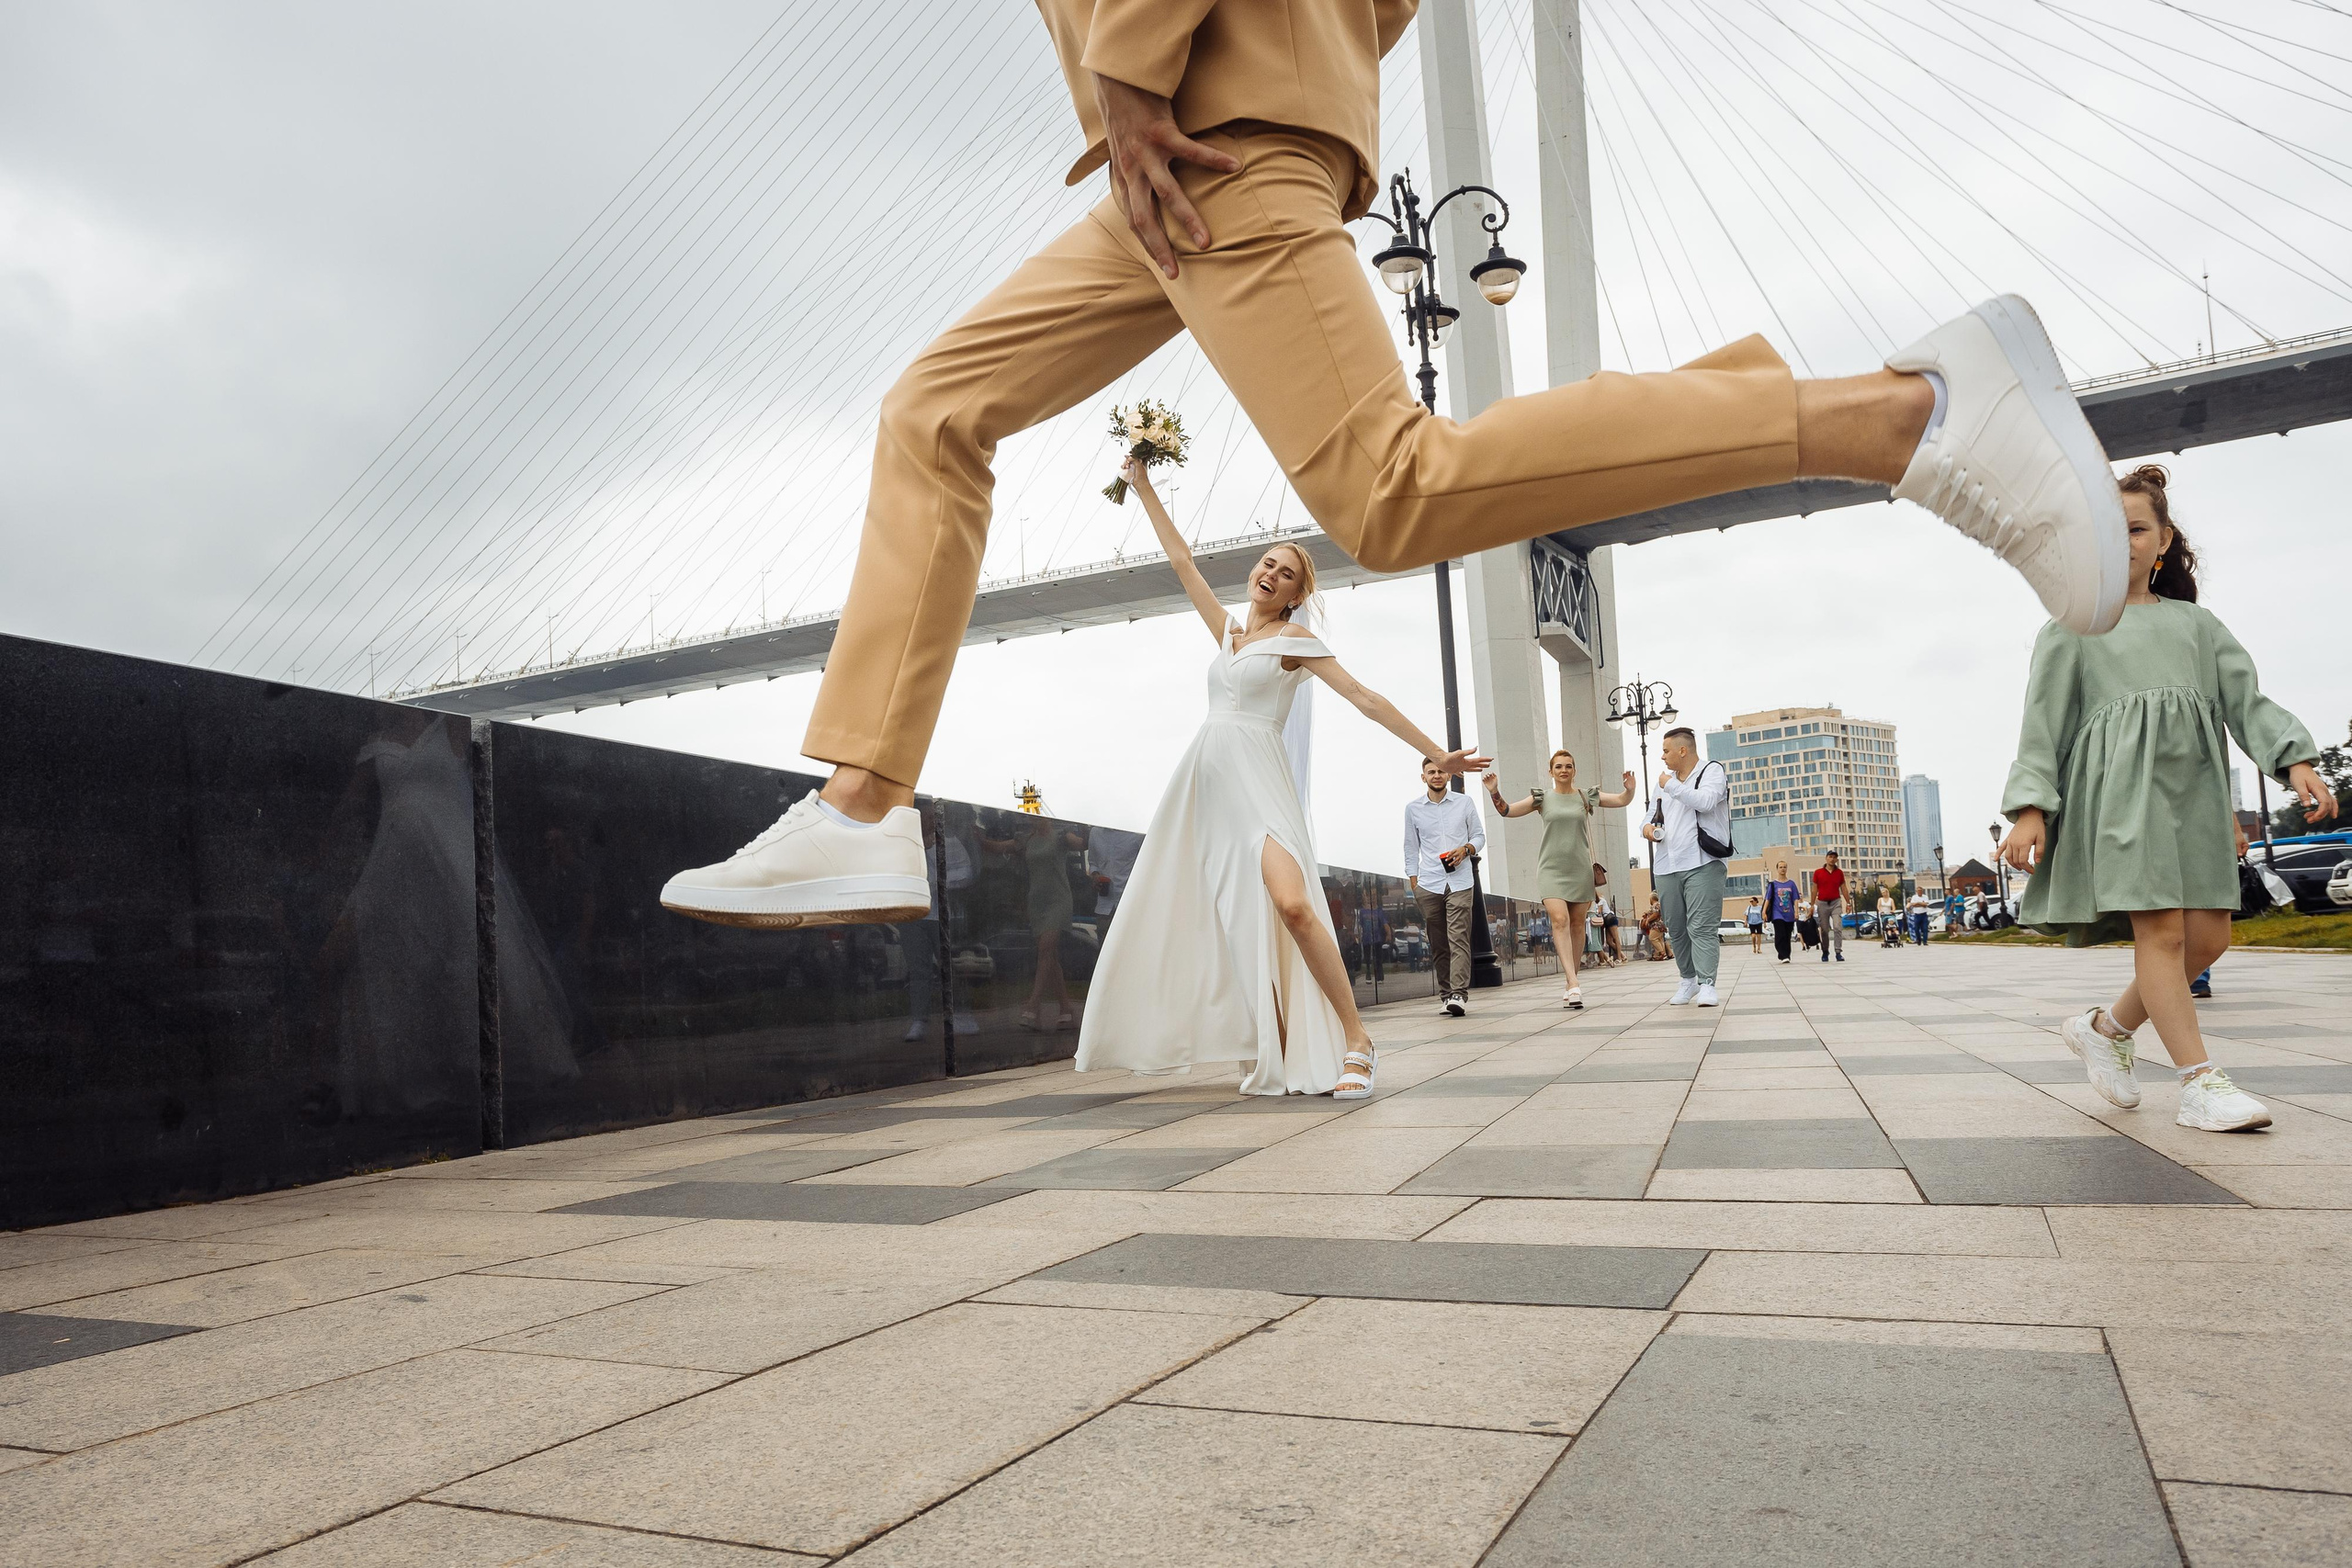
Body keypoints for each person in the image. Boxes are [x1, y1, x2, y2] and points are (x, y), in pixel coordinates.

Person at [655, 3, 2132, 931]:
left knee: (1392, 490)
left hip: (1197, 120)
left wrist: (1136, 62)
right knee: (936, 408)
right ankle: (861, 806)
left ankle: (1903, 412)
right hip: (1177, 142)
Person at [1073, 461, 1485, 1099]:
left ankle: (1357, 1038)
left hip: (1260, 783)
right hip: (1207, 787)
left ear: (1296, 593)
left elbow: (1364, 697)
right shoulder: (1229, 634)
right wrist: (1141, 482)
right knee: (1239, 918)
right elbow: (1182, 560)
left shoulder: (1296, 639)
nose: (1270, 573)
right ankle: (1278, 1040)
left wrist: (1438, 752)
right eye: (1267, 562)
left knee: (1291, 905)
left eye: (1286, 572)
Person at [1999, 464, 2337, 1133]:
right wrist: (2033, 807)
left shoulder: (2198, 626)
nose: (2120, 539)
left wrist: (2293, 758)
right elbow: (2042, 725)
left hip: (2194, 802)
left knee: (2206, 941)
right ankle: (2199, 1083)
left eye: (2135, 527)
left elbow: (2247, 701)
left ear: (2163, 539)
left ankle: (2105, 1029)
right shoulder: (2070, 629)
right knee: (2161, 932)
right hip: (2121, 804)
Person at [1486, 752, 1635, 1010]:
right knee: (1560, 920)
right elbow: (1507, 811)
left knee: (1578, 925)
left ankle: (1570, 982)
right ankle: (1574, 981)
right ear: (1550, 771)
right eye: (1558, 766)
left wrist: (1630, 790)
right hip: (1551, 870)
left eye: (1568, 766)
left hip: (1580, 870)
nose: (1563, 770)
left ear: (1574, 770)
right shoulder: (1542, 798)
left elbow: (1622, 800)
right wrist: (1494, 791)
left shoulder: (1585, 796)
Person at [1642, 728, 1732, 1005]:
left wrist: (1671, 786)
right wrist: (1646, 828)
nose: (1662, 756)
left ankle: (1707, 984)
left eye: (1666, 750)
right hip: (1667, 863)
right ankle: (1688, 980)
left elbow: (1705, 802)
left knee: (1702, 926)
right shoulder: (1664, 782)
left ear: (1683, 750)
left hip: (1703, 861)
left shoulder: (1711, 772)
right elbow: (1650, 815)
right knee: (1677, 927)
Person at [1407, 755, 1487, 1017]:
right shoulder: (1413, 809)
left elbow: (1479, 835)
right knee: (1439, 943)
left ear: (1449, 775)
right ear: (1424, 777)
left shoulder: (1464, 803)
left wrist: (1466, 850)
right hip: (1429, 884)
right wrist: (1413, 880)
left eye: (1441, 771)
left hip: (1461, 881)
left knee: (1459, 938)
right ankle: (1445, 995)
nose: (1437, 775)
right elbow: (1411, 846)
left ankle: (1458, 995)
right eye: (1431, 772)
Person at [1812, 851, 1848, 963]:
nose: (1832, 859)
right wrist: (1812, 905)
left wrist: (1849, 902)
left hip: (1836, 902)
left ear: (1837, 860)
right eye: (1830, 857)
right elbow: (1814, 889)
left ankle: (1838, 951)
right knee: (1824, 930)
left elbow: (1844, 888)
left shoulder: (1839, 873)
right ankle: (1825, 951)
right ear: (1826, 858)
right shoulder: (1818, 872)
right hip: (1822, 903)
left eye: (1834, 857)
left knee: (1837, 926)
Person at [1763, 861, 1800, 964]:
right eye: (1780, 867)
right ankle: (1782, 954)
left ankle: (1786, 955)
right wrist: (1764, 911)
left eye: (1784, 867)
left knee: (1787, 935)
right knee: (1780, 934)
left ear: (1786, 869)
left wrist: (1796, 912)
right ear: (1777, 869)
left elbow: (1795, 899)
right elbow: (1768, 899)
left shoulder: (1791, 884)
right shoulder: (1773, 884)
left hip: (1789, 913)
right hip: (1777, 913)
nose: (1782, 869)